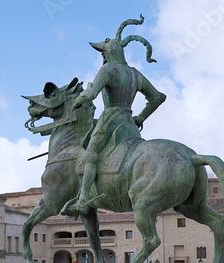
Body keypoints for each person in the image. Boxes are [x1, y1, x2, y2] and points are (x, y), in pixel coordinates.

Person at [63, 15, 166, 216]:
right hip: (129, 123)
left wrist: (81, 99)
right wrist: (141, 117)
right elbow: (158, 97)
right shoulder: (135, 74)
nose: (102, 56)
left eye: (102, 52)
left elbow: (91, 94)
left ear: (108, 52)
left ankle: (83, 199)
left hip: (109, 120)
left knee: (90, 155)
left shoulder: (108, 69)